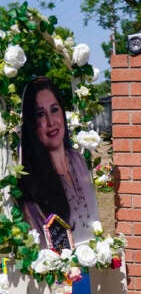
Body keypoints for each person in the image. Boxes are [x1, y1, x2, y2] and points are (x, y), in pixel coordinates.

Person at [19, 76, 99, 246]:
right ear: (33, 124)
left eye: (54, 110)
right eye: (41, 114)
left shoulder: (78, 161)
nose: (51, 122)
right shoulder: (31, 183)